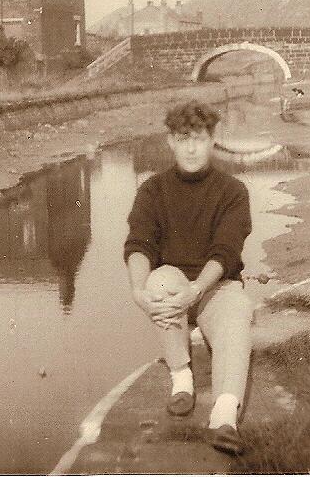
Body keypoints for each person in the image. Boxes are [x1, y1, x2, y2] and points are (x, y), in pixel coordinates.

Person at [124, 100, 253, 456]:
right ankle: (182, 380)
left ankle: (224, 416)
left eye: (199, 138)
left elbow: (226, 252)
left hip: (214, 286)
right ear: (170, 142)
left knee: (238, 311)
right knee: (158, 281)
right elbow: (139, 244)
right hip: (175, 285)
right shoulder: (152, 190)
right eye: (183, 139)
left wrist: (197, 289)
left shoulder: (232, 191)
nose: (192, 148)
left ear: (213, 140)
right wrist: (138, 290)